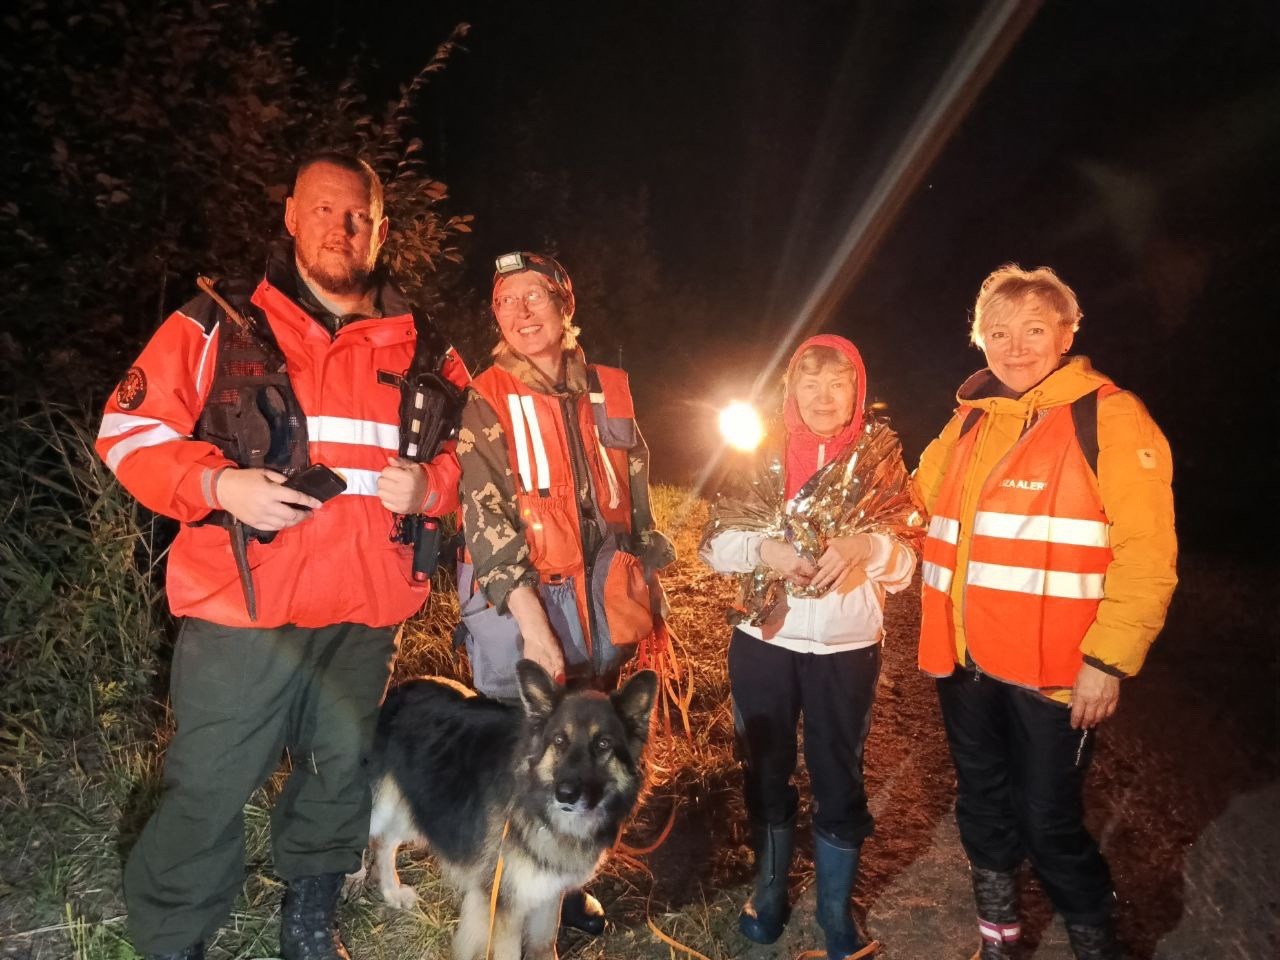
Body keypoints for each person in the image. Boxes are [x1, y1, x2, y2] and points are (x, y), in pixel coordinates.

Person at [96, 153, 469, 960]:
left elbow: (481, 465)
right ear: (292, 217)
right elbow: (125, 433)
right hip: (245, 611)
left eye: (359, 214)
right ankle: (174, 939)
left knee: (339, 773)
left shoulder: (427, 346)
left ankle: (310, 918)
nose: (343, 227)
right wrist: (222, 485)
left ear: (381, 226)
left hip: (364, 615)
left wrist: (434, 489)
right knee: (210, 785)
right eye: (325, 210)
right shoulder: (219, 321)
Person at [913, 265, 1177, 960]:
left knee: (1048, 820)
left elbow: (1147, 552)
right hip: (967, 663)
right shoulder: (969, 419)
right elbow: (915, 506)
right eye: (998, 331)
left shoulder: (1109, 416)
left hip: (1058, 674)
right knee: (982, 808)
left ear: (1067, 333)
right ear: (980, 341)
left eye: (1034, 329)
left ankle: (1096, 942)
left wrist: (1107, 661)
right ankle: (1000, 940)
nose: (1017, 345)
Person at [454, 250, 674, 935]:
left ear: (565, 306)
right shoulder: (486, 394)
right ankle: (495, 903)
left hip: (602, 609)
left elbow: (635, 508)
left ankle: (563, 886)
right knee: (518, 758)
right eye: (506, 302)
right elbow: (484, 518)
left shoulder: (610, 390)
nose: (521, 313)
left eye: (535, 297)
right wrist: (534, 628)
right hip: (525, 606)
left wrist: (650, 600)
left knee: (585, 754)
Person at [700, 335, 919, 960]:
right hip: (763, 642)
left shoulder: (880, 458)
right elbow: (714, 544)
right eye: (810, 382)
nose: (824, 397)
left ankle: (833, 910)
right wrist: (765, 551)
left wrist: (865, 550)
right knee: (765, 766)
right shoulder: (757, 452)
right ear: (790, 388)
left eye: (839, 383)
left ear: (859, 389)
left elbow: (906, 559)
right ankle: (769, 893)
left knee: (839, 774)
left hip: (846, 649)